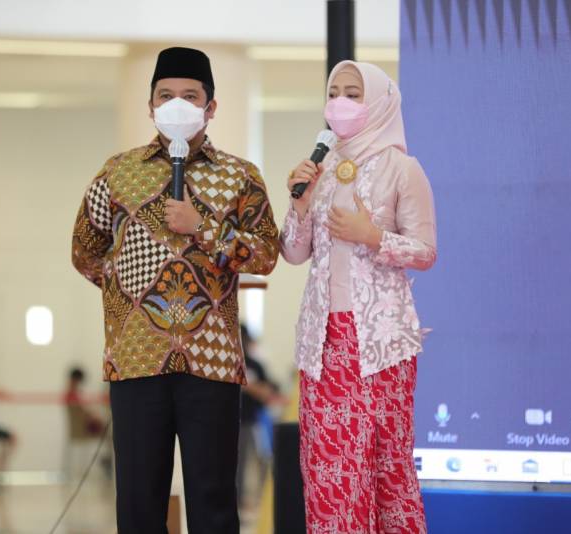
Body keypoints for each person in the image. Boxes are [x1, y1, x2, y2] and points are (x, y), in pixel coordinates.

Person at [71, 46, 279, 533]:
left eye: (190, 95)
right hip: (137, 358)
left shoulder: (240, 175)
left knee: (213, 500)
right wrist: (130, 296)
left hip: (212, 360)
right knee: (139, 501)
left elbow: (267, 253)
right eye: (165, 96)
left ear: (211, 107)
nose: (177, 105)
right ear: (150, 106)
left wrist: (203, 228)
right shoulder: (117, 172)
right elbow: (85, 250)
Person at [280, 60, 436, 533]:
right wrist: (299, 205)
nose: (340, 102)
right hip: (323, 343)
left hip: (380, 343)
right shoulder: (321, 169)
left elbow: (426, 251)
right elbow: (293, 252)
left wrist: (373, 236)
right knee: (329, 468)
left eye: (353, 93)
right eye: (334, 92)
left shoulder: (402, 168)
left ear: (380, 102)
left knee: (384, 465)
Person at [237, 324, 285, 511]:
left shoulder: (255, 365)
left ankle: (262, 500)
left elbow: (269, 390)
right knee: (238, 464)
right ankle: (238, 500)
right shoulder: (227, 364)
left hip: (255, 421)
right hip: (234, 421)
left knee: (262, 460)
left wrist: (253, 388)